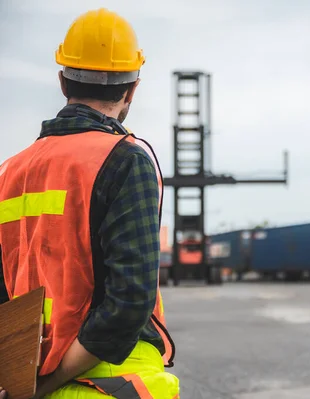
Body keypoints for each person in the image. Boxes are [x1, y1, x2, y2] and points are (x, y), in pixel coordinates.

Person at [0, 8, 179, 398]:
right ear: (132, 89)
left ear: (63, 81)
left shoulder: (8, 172)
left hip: (22, 382)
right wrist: (49, 383)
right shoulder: (125, 159)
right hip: (108, 383)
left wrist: (21, 382)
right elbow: (130, 302)